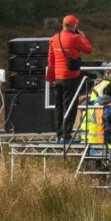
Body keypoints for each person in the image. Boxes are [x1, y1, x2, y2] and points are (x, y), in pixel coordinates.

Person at [45, 14, 93, 143]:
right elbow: (88, 50)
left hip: (57, 78)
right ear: (74, 26)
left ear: (63, 24)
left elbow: (50, 60)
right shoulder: (75, 38)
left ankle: (59, 135)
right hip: (71, 77)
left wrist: (52, 77)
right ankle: (66, 136)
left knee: (59, 106)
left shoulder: (54, 39)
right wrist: (83, 36)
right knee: (70, 106)